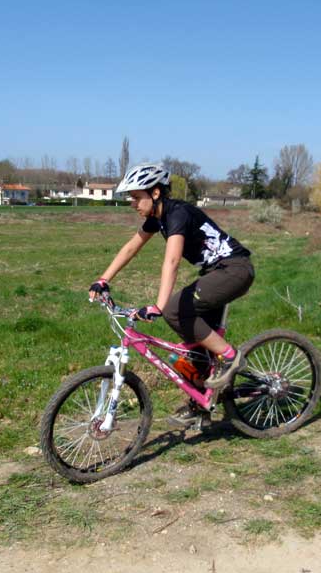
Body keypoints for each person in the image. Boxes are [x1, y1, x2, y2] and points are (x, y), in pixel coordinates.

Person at [88, 163, 255, 426]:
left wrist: (159, 305)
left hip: (235, 269)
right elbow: (131, 247)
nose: (132, 203)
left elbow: (172, 261)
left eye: (136, 197)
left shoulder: (178, 213)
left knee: (174, 309)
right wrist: (103, 279)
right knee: (195, 350)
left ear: (155, 193)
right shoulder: (158, 219)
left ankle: (231, 358)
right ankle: (202, 403)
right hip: (215, 272)